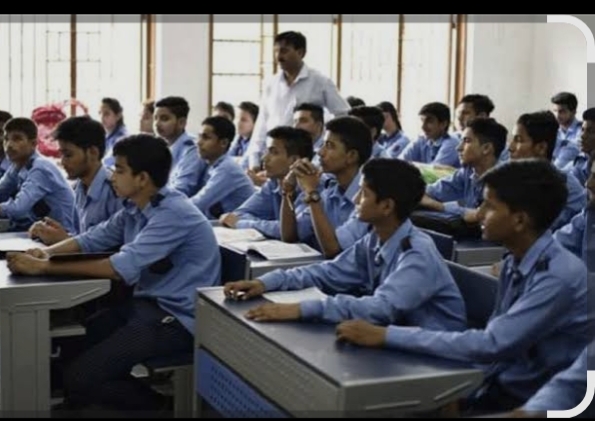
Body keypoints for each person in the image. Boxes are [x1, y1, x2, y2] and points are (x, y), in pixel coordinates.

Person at [6, 134, 221, 413]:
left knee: (80, 377)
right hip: (145, 306)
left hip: (176, 320)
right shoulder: (136, 207)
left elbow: (118, 267)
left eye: (119, 170)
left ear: (142, 178)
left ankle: (162, 408)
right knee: (69, 349)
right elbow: (93, 238)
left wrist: (45, 267)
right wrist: (46, 253)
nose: (112, 177)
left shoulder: (173, 213)